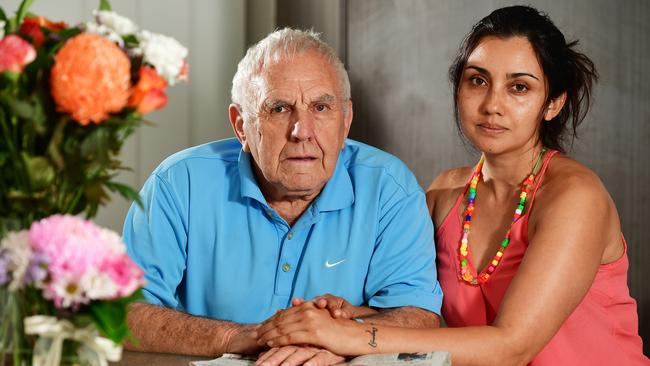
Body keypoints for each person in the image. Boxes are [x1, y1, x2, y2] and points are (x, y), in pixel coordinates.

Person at [255, 6, 650, 366]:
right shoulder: (445, 193)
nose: (492, 104)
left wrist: (350, 336)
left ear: (553, 103)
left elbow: (513, 346)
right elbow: (430, 321)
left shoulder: (575, 197)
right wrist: (349, 316)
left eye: (519, 87)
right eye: (478, 80)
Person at [122, 28, 443, 361]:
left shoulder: (389, 188)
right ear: (241, 126)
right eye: (278, 109)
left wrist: (341, 336)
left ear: (345, 121)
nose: (301, 131)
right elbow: (122, 314)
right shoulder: (178, 183)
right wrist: (243, 336)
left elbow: (419, 318)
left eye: (320, 107)